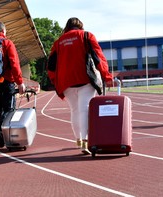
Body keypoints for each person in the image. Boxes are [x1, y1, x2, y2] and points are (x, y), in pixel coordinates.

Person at [47, 17, 113, 154]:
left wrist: (56, 81)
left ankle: (78, 141)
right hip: (84, 79)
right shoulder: (87, 36)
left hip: (66, 83)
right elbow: (98, 57)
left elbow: (51, 66)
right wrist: (106, 76)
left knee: (75, 111)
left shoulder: (58, 43)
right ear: (80, 27)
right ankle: (85, 141)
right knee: (84, 110)